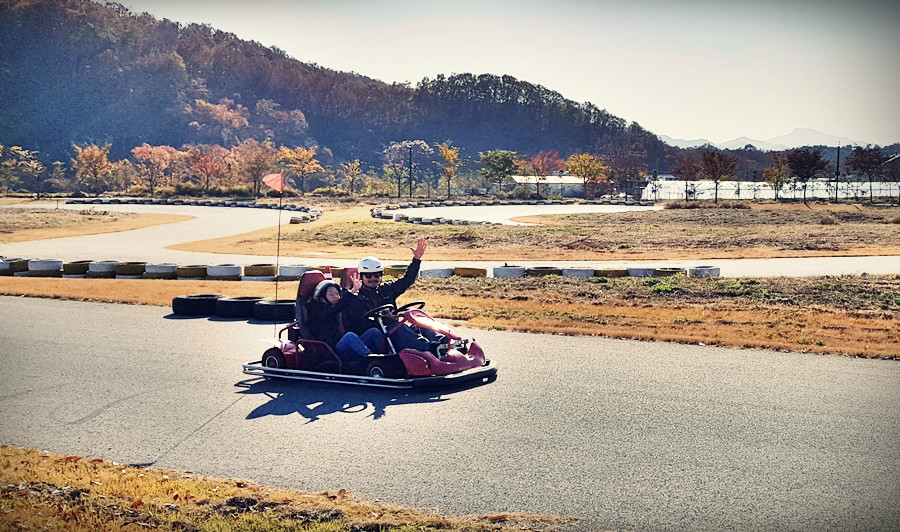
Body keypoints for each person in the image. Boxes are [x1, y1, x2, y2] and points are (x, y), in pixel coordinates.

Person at [344, 237, 446, 354]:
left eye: (377, 275)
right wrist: (383, 320)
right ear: (361, 277)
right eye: (368, 276)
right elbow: (358, 323)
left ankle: (443, 342)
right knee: (398, 328)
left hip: (392, 332)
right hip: (374, 337)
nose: (373, 279)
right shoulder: (355, 297)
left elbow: (407, 280)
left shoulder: (386, 290)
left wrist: (416, 259)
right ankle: (430, 348)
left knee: (419, 323)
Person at [306, 274, 386, 363]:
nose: (336, 296)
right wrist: (351, 292)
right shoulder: (319, 313)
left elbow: (349, 306)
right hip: (332, 350)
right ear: (322, 298)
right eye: (331, 294)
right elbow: (335, 309)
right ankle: (373, 361)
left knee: (373, 332)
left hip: (344, 345)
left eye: (337, 294)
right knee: (350, 336)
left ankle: (389, 356)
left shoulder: (340, 310)